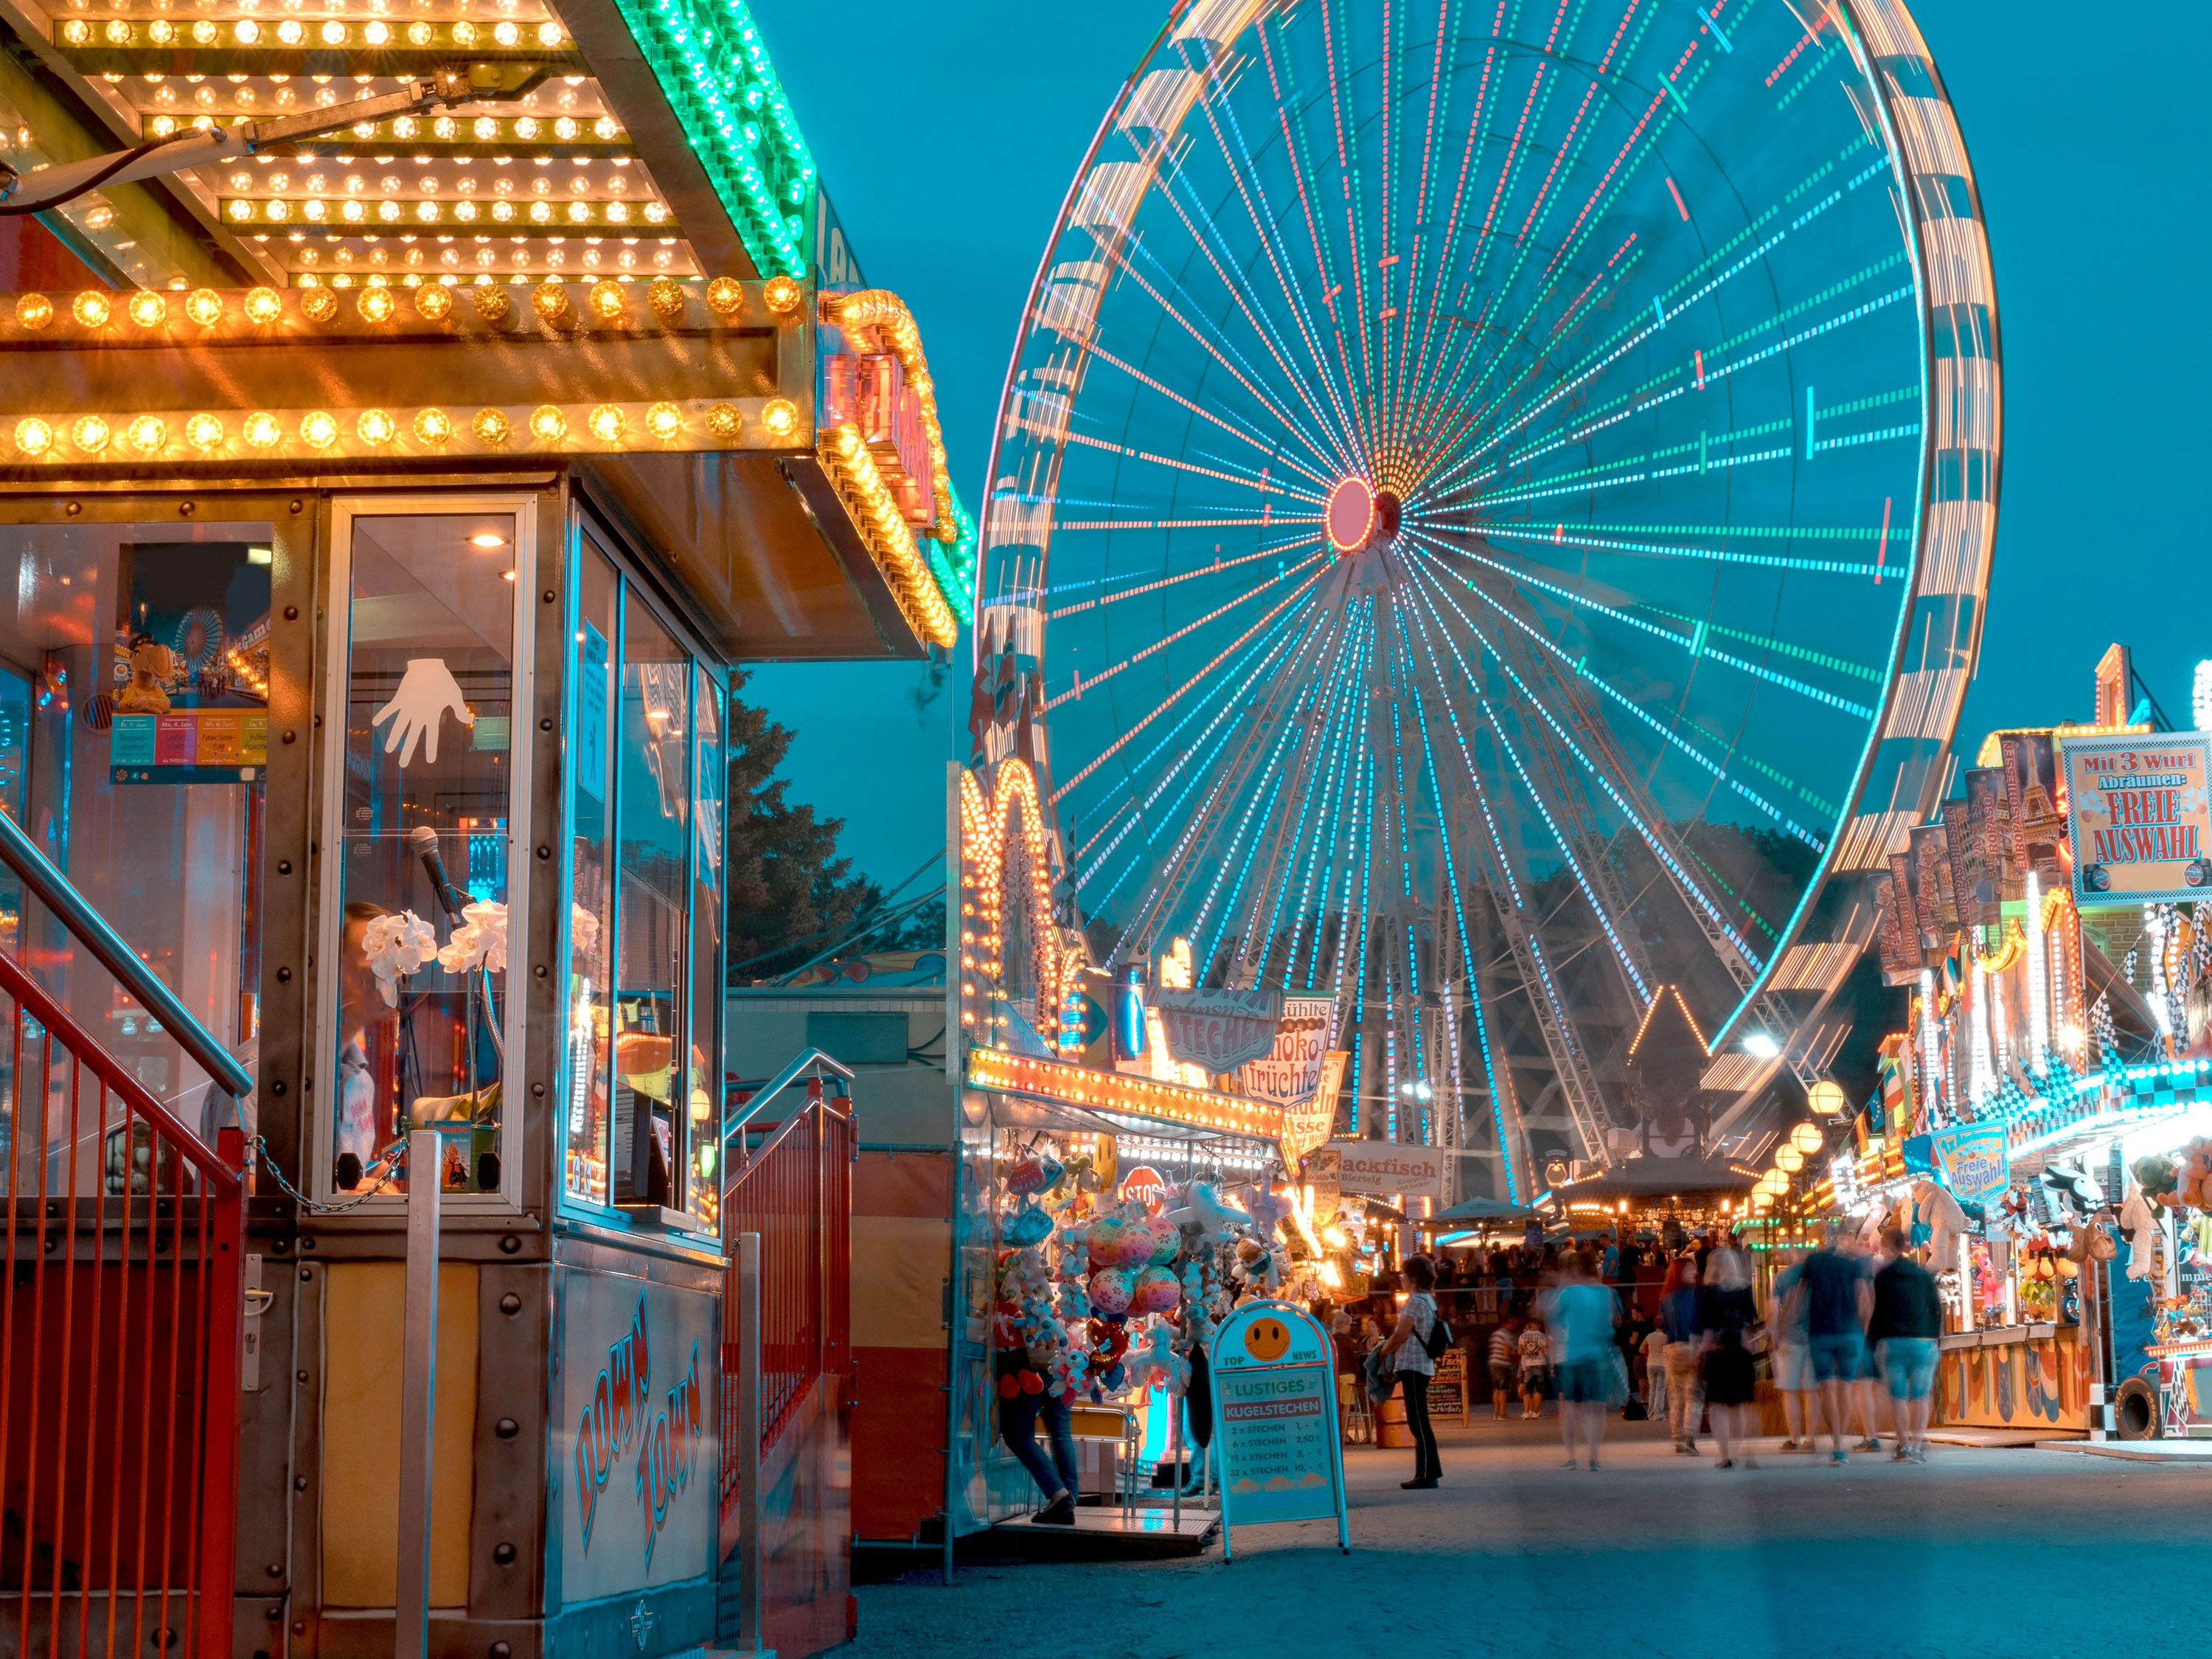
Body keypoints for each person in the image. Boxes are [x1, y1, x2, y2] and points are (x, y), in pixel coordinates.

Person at [1798, 1222, 1874, 1464]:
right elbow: (1864, 1300)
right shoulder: (1853, 1267)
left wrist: (1788, 1323)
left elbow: (1799, 1296)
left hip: (1820, 1332)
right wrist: (1863, 1328)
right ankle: (1840, 1446)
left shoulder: (1813, 1263)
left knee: (1826, 1390)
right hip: (1850, 1333)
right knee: (1847, 1388)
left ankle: (1837, 1442)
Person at [1870, 1227, 1944, 1461]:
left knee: (1899, 1396)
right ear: (1905, 1246)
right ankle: (1918, 1446)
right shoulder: (1923, 1275)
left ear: (1886, 1248)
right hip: (1923, 1341)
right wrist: (1935, 1338)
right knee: (1921, 1395)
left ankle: (1903, 1447)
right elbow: (1936, 1309)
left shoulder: (1883, 1276)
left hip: (1893, 1342)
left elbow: (1877, 1311)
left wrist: (1874, 1341)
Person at [1545, 1251, 1620, 1470]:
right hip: (1599, 1355)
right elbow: (1613, 1321)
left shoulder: (1568, 1293)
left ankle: (1571, 1458)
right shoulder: (1605, 1293)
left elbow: (1552, 1319)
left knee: (1570, 1408)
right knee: (1596, 1407)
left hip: (1573, 1355)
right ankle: (1594, 1457)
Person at [1375, 1253, 1444, 1489]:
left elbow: (1401, 1334)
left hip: (1413, 1365)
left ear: (1413, 1278)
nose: (1401, 1279)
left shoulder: (1415, 1303)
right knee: (1419, 1420)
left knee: (1418, 1421)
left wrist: (1383, 1351)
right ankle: (1425, 1472)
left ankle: (1428, 1474)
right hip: (1421, 1365)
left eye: (1404, 1275)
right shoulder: (1428, 1300)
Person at [1697, 1244, 1762, 1469]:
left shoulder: (1707, 1293)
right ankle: (1739, 1449)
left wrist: (1700, 1351)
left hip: (1718, 1354)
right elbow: (1750, 1324)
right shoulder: (1744, 1291)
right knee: (1738, 1406)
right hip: (1741, 1354)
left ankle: (1725, 1455)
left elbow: (1705, 1327)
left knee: (1717, 1407)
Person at [998, 1349, 1079, 1525]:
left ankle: (1060, 1494)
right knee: (1061, 1434)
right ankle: (1068, 1499)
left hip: (1026, 1365)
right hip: (1061, 1364)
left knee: (1018, 1435)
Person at [1769, 1248, 1819, 1453]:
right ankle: (1811, 1440)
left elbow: (1772, 1309)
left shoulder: (1782, 1277)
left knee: (1790, 1391)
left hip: (1789, 1338)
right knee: (1812, 1391)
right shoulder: (1817, 1276)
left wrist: (1773, 1334)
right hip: (1815, 1337)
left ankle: (1794, 1438)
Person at [1658, 1256, 1703, 1453]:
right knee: (1694, 1395)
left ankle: (1677, 1438)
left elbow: (1664, 1323)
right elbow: (1692, 1322)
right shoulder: (1693, 1295)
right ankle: (1689, 1436)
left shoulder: (1666, 1297)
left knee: (1676, 1395)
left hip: (1671, 1348)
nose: (1695, 1272)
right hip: (1690, 1346)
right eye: (1690, 1269)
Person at [1488, 1314, 1521, 1421]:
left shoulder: (1495, 1334)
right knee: (1503, 1390)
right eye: (1513, 1323)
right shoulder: (1506, 1335)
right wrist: (1514, 1354)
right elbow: (1507, 1352)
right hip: (1502, 1364)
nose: (1515, 1326)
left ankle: (1496, 1413)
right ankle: (1502, 1413)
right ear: (1507, 1323)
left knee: (1496, 1389)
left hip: (1493, 1363)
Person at [1517, 1313, 1550, 1419]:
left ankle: (1527, 1413)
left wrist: (1528, 1352)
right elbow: (1546, 1352)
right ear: (1538, 1325)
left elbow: (1520, 1352)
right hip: (1540, 1364)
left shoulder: (1522, 1336)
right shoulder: (1541, 1336)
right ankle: (1536, 1413)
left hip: (1528, 1365)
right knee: (1539, 1389)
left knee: (1527, 1390)